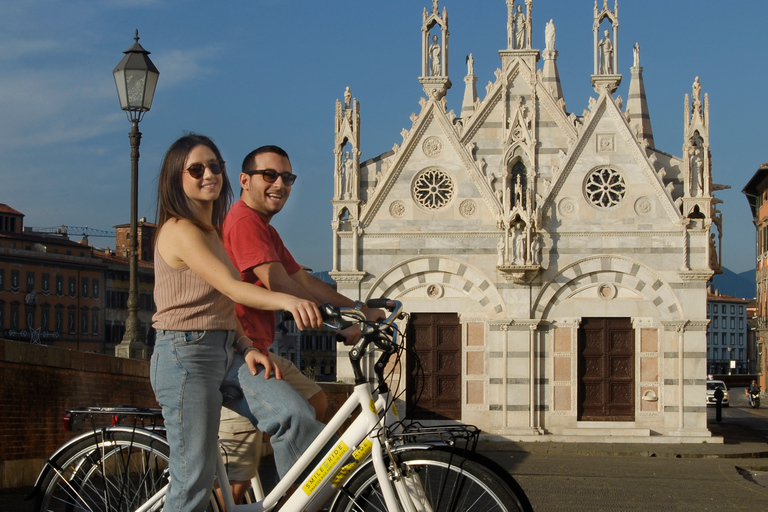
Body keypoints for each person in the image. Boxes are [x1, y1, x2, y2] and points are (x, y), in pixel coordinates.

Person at [150, 134, 326, 512]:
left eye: (215, 166)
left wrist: (246, 347)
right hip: (185, 357)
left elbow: (224, 302)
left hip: (228, 351)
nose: (209, 174)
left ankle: (299, 506)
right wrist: (290, 300)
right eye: (196, 169)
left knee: (295, 415)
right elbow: (233, 287)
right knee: (193, 484)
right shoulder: (178, 230)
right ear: (175, 178)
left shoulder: (212, 232)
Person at [219, 144, 384, 504]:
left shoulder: (264, 228)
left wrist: (358, 309)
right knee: (234, 484)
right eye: (270, 175)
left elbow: (304, 280)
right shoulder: (245, 221)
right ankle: (299, 503)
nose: (280, 183)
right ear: (245, 180)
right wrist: (336, 323)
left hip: (258, 351)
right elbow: (279, 283)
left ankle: (294, 491)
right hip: (232, 353)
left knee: (315, 400)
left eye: (287, 177)